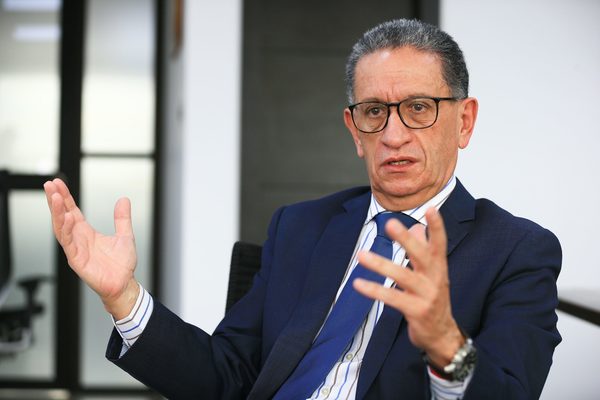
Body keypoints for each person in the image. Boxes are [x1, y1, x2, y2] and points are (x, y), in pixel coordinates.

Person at [43, 19, 561, 399]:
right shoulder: (301, 227)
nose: (394, 134)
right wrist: (124, 298)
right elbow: (224, 378)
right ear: (354, 131)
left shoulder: (517, 250)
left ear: (464, 121)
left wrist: (448, 346)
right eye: (374, 112)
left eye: (418, 108)